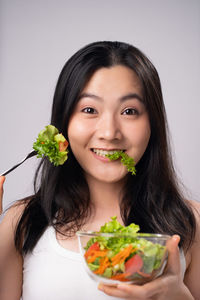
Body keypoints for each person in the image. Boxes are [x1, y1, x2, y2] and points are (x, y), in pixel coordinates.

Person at [0, 41, 199, 300]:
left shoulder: (191, 221)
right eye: (89, 110)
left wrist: (178, 297)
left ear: (153, 123)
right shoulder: (21, 222)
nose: (109, 133)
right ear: (64, 124)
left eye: (129, 111)